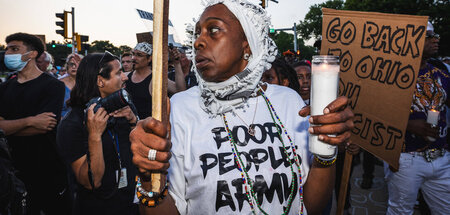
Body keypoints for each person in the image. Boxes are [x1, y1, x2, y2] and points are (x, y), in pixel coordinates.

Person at [129, 1, 354, 214]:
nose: (198, 41)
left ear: (247, 43)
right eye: (197, 33)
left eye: (213, 30)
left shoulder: (289, 101)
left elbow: (311, 208)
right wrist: (149, 177)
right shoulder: (180, 108)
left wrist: (327, 149)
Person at [57, 52, 139, 215]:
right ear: (100, 81)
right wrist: (94, 136)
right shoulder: (72, 124)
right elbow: (91, 182)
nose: (125, 77)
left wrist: (133, 122)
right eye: (118, 73)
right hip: (96, 208)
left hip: (131, 204)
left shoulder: (124, 108)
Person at [0, 32, 69, 215]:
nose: (8, 53)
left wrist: (8, 127)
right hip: (11, 171)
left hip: (46, 170)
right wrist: (30, 121)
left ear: (32, 54)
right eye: (7, 49)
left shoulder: (53, 86)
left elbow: (46, 126)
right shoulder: (5, 88)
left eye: (14, 49)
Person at [385, 21, 450, 215]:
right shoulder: (392, 74)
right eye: (428, 36)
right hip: (405, 158)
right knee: (400, 211)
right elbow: (374, 112)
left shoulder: (441, 72)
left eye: (435, 35)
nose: (435, 39)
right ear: (411, 40)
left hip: (441, 156)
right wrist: (408, 125)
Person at [125, 42, 186, 119]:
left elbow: (180, 91)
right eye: (133, 54)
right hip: (128, 128)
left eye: (139, 55)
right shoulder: (125, 77)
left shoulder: (156, 79)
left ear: (149, 58)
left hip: (147, 128)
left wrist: (176, 64)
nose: (134, 58)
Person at [60, 53, 83, 118]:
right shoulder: (59, 83)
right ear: (67, 66)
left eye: (76, 64)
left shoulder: (87, 83)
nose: (73, 67)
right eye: (71, 64)